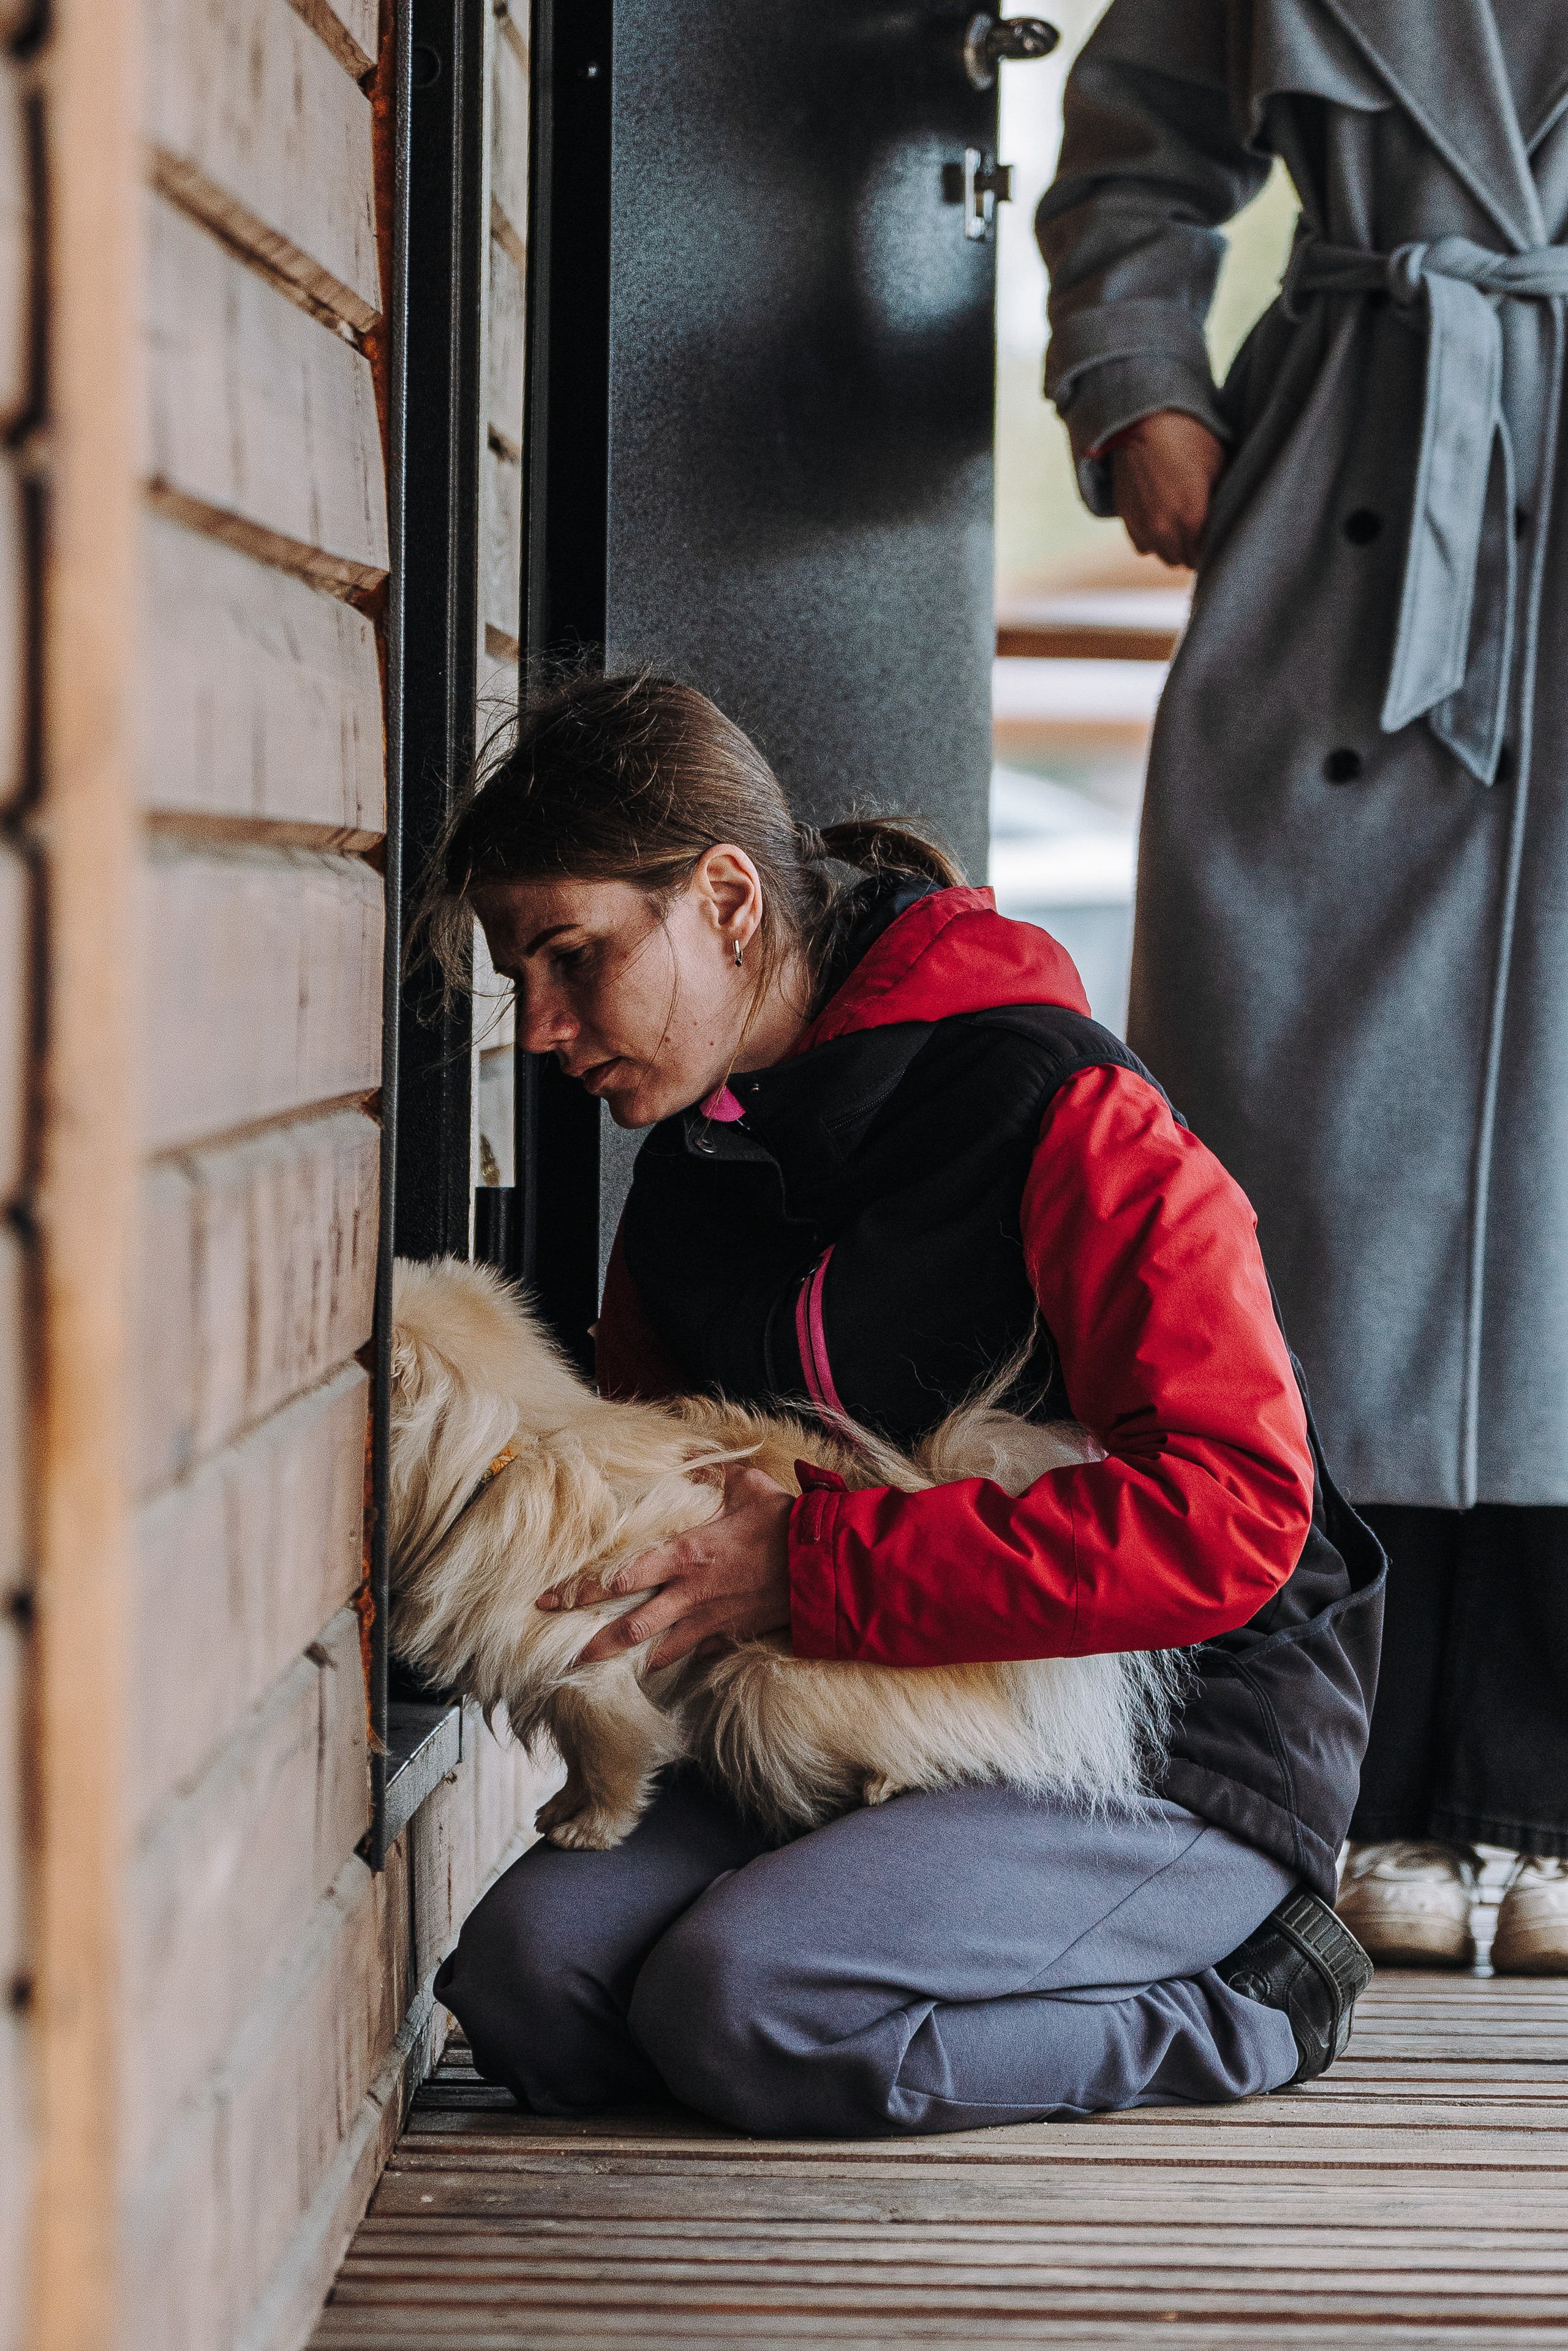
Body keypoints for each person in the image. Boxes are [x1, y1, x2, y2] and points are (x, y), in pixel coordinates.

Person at [423, 670, 1380, 2137]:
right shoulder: (689, 1182)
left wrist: (808, 1567)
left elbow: (1239, 1516)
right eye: (516, 978)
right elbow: (650, 1510)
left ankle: (1245, 1995)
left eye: (572, 956)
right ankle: (818, 2005)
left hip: (1164, 1739)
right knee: (526, 1976)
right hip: (849, 1734)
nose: (541, 1025)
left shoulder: (1065, 1107)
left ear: (727, 899)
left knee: (746, 1997)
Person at [1035, 0, 1568, 1971]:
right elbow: (1133, 143)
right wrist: (1139, 391)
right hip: (1358, 495)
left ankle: (1537, 1792)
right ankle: (1325, 1774)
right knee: (1302, 1166)